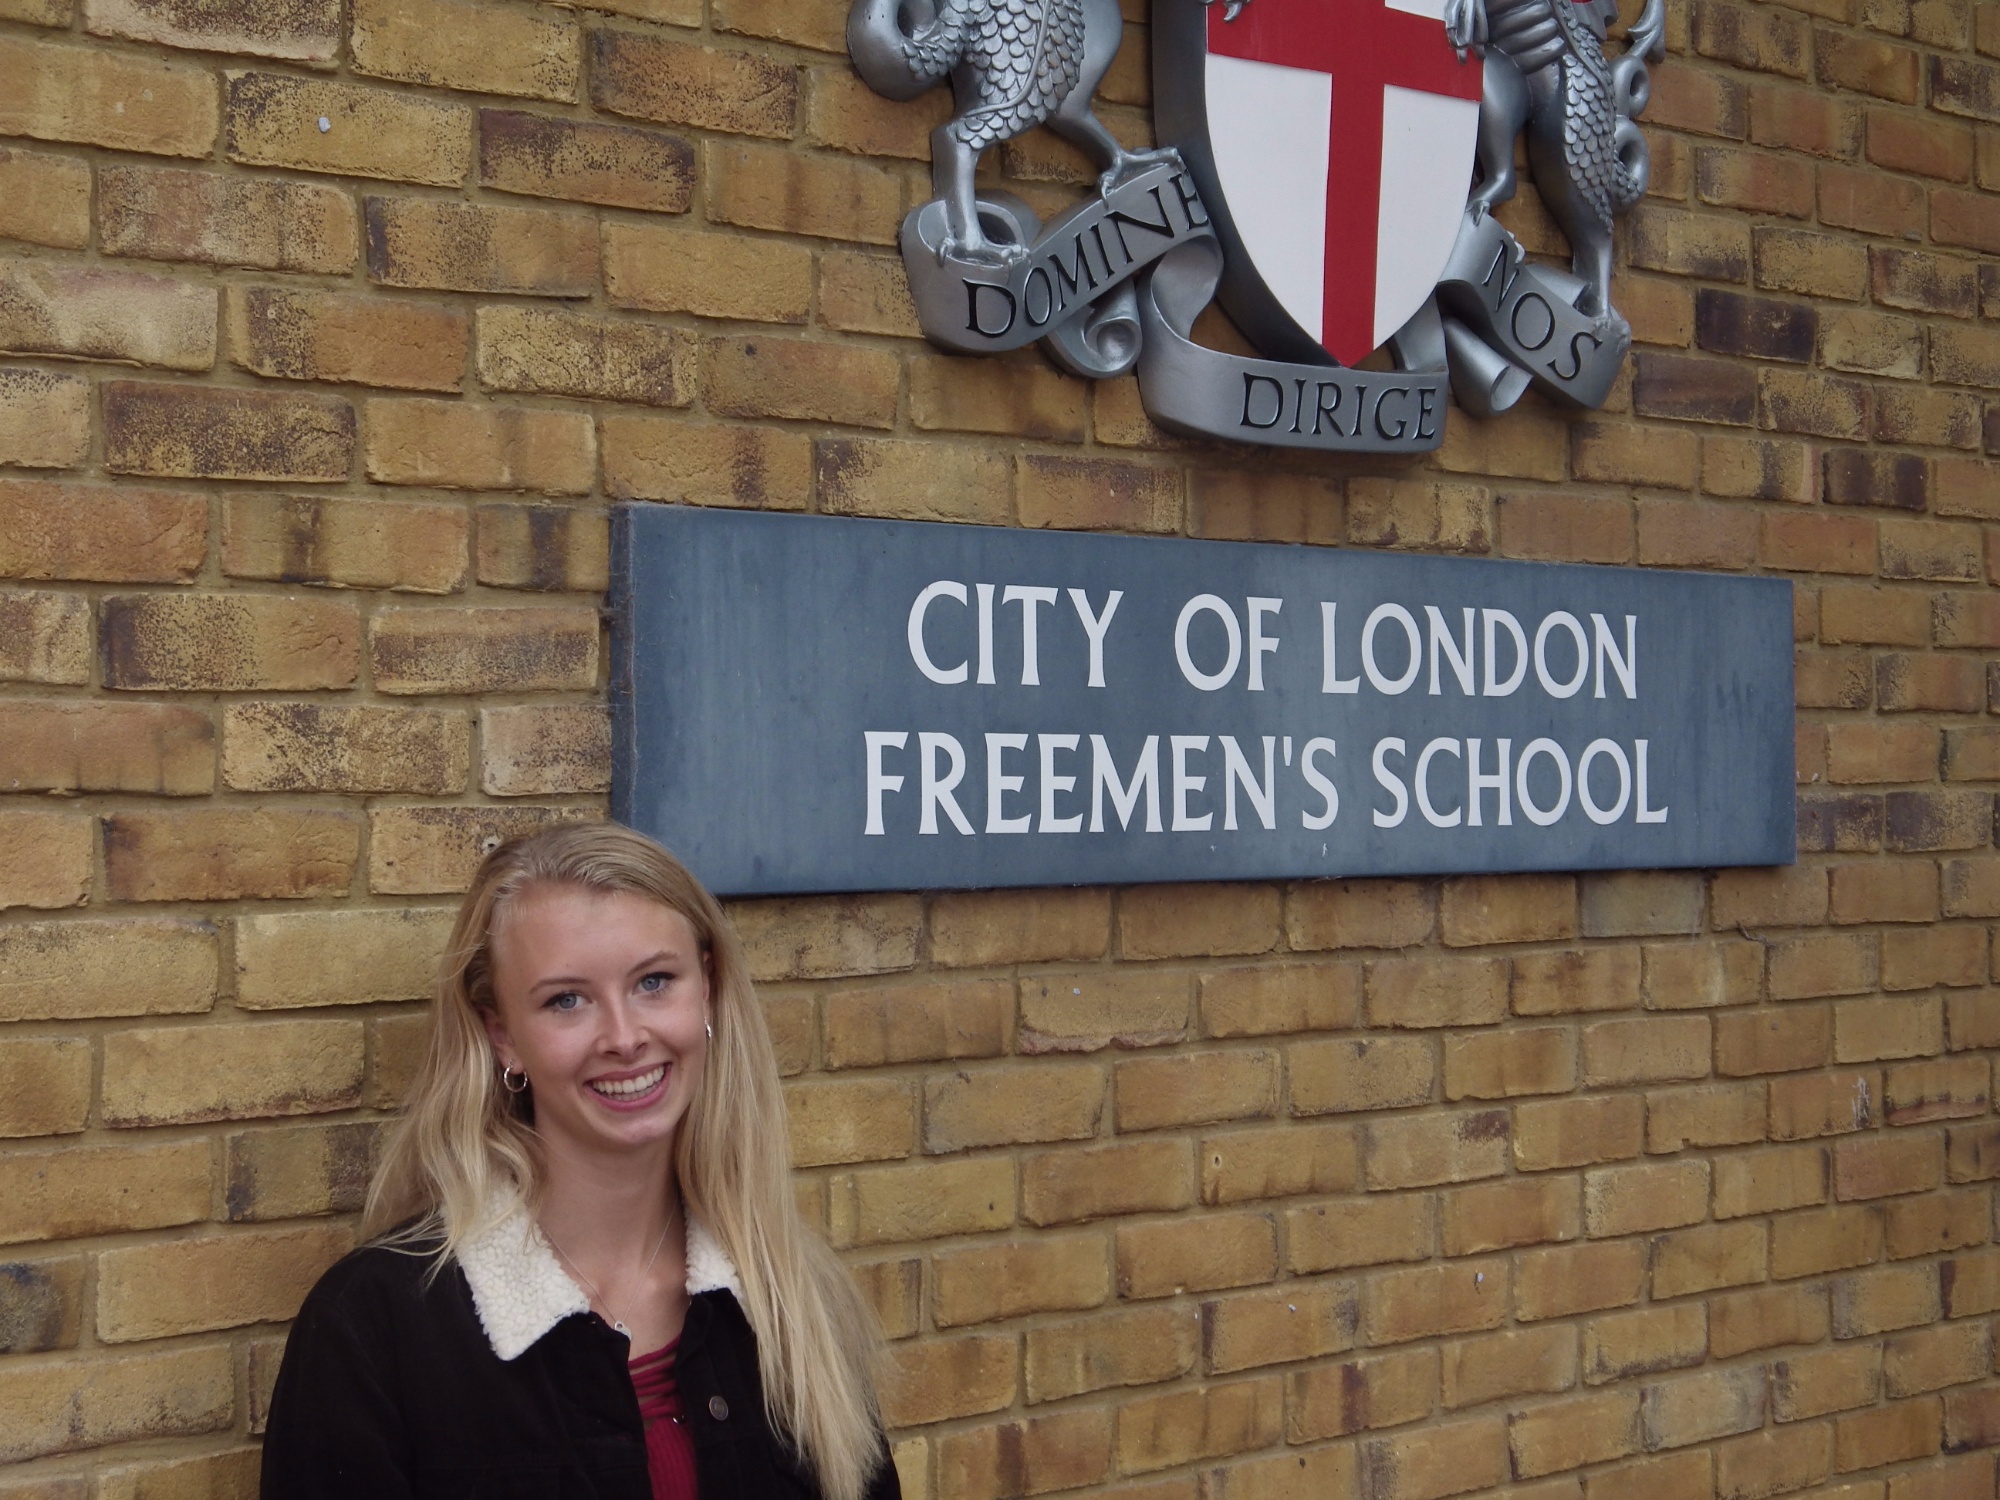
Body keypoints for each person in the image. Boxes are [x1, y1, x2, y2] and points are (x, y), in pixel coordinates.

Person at [261, 822, 901, 1500]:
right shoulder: (372, 1330)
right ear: (502, 1034)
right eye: (566, 1000)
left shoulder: (790, 1297)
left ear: (706, 990)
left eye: (655, 981)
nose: (625, 1038)